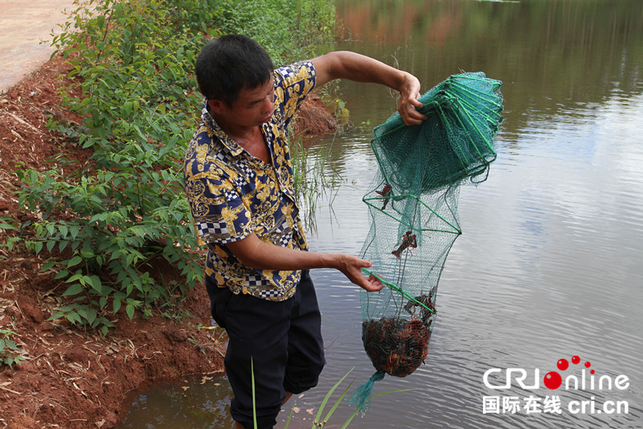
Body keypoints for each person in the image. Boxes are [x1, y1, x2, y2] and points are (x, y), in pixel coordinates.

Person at [184, 34, 426, 429]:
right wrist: (331, 260)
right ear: (218, 105)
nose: (269, 107)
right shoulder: (206, 167)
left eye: (269, 94)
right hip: (249, 293)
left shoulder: (268, 92)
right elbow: (250, 252)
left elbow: (336, 63)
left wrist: (402, 81)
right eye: (254, 103)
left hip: (292, 272)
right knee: (255, 408)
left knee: (307, 367)